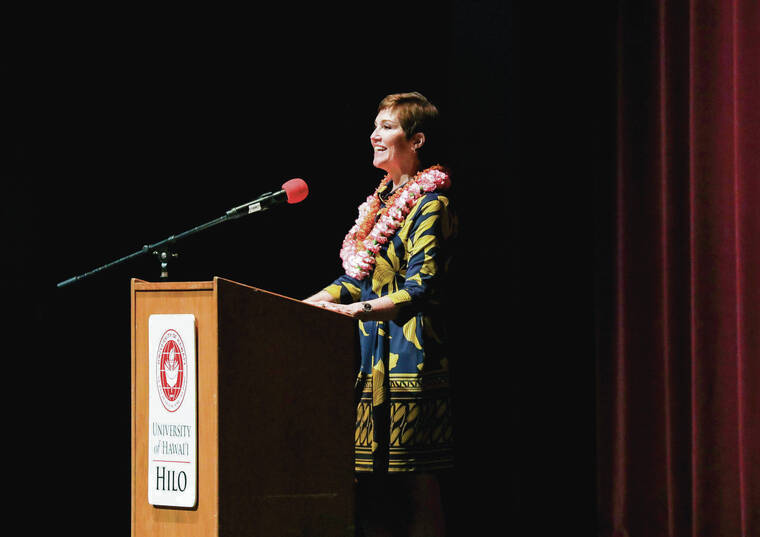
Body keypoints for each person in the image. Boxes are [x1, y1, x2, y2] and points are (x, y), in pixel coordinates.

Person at [305, 92, 456, 537]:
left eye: (387, 126)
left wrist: (354, 311)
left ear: (418, 139)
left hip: (417, 361)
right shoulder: (380, 206)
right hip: (374, 369)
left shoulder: (433, 205)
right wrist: (307, 304)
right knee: (374, 490)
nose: (375, 134)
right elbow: (357, 277)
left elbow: (420, 287)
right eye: (375, 125)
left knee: (416, 483)